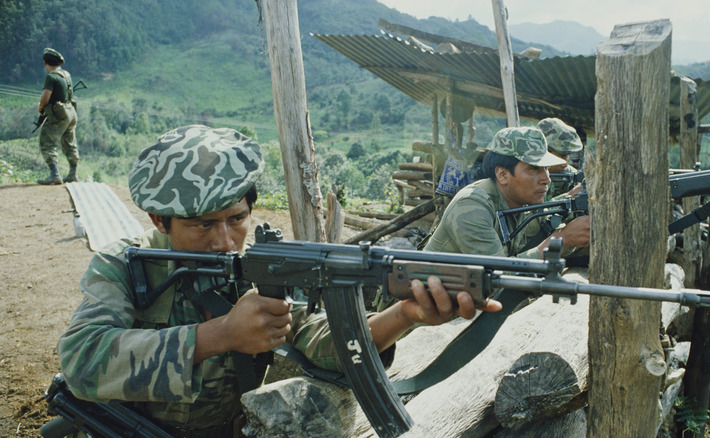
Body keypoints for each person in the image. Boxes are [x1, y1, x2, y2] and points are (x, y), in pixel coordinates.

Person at [57, 125, 500, 436]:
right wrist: (220, 335)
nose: (225, 241)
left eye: (237, 219)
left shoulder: (252, 266)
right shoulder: (124, 263)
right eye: (202, 226)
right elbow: (81, 360)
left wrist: (404, 315)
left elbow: (317, 335)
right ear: (160, 219)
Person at [423, 126, 590, 259]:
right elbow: (499, 278)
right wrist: (563, 241)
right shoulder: (471, 207)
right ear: (503, 175)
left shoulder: (522, 204)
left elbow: (542, 232)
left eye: (546, 169)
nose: (547, 179)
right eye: (533, 169)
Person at [37, 48, 79, 185]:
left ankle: (55, 174)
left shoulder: (51, 77)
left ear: (45, 63)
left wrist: (41, 108)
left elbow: (45, 97)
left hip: (59, 114)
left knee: (47, 142)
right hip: (71, 112)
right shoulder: (66, 74)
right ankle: (73, 174)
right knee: (69, 143)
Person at [537, 118, 583, 200]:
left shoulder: (572, 175)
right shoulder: (527, 176)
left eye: (566, 155)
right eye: (561, 156)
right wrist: (569, 196)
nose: (564, 163)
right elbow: (530, 212)